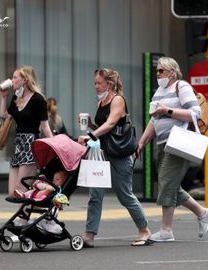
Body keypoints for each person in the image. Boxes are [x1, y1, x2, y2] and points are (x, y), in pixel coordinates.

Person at [136, 57, 208, 242]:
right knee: (168, 183)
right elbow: (153, 121)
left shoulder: (182, 86)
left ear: (172, 72)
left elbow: (194, 113)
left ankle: (166, 230)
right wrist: (141, 143)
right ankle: (202, 212)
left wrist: (167, 111)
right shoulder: (158, 93)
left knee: (166, 181)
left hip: (178, 141)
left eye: (161, 71)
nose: (157, 74)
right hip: (162, 143)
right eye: (157, 71)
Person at [78, 68, 151, 247]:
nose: (95, 86)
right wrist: (91, 125)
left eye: (98, 83)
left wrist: (91, 135)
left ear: (109, 84)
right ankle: (89, 234)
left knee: (125, 195)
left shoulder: (118, 100)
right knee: (95, 195)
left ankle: (144, 230)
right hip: (102, 154)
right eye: (95, 82)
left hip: (119, 155)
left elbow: (111, 123)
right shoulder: (101, 102)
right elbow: (104, 125)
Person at [0, 65, 53, 197]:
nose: (12, 80)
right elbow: (3, 116)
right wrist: (4, 97)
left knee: (20, 189)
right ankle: (40, 198)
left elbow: (45, 126)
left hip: (31, 144)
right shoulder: (16, 98)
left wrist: (54, 145)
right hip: (18, 144)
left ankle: (24, 218)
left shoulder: (38, 99)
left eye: (15, 77)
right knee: (12, 192)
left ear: (25, 80)